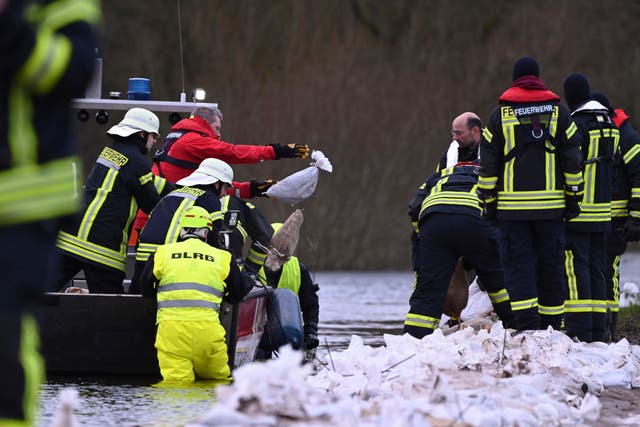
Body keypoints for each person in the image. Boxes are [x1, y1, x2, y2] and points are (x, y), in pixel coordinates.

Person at [0, 0, 100, 424]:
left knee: (5, 342)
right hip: (78, 244)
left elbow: (70, 70)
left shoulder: (61, 10)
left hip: (21, 213)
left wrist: (9, 25)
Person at [477, 57, 584, 332]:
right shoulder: (559, 114)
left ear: (515, 80)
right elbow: (573, 161)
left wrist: (488, 204)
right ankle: (551, 328)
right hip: (551, 210)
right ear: (538, 78)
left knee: (518, 267)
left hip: (512, 212)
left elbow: (488, 168)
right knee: (551, 267)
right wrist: (573, 198)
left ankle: (527, 328)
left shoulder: (498, 116)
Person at [130, 106, 312, 238]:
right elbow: (232, 152)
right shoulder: (193, 141)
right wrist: (276, 151)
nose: (218, 135)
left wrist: (252, 189)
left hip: (153, 219)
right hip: (155, 222)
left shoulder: (178, 140)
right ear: (204, 123)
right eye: (217, 129)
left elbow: (203, 188)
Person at [53, 108, 174, 294]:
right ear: (141, 134)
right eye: (153, 136)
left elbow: (136, 180)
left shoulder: (111, 150)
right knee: (111, 309)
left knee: (43, 290)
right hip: (102, 247)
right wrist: (175, 208)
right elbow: (150, 203)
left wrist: (177, 187)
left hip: (71, 238)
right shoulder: (138, 160)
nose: (155, 141)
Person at [138, 206, 252, 382]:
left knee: (176, 388)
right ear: (206, 232)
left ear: (181, 229)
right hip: (208, 332)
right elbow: (236, 294)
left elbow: (145, 288)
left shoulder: (162, 253)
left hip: (172, 333)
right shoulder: (223, 257)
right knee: (218, 385)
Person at [404, 161, 514, 338]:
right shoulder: (495, 172)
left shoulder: (440, 175)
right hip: (475, 220)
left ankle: (413, 340)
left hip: (434, 221)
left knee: (428, 289)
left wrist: (424, 238)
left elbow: (415, 208)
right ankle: (515, 329)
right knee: (498, 283)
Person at [561, 74, 620, 342]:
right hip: (603, 212)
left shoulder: (576, 125)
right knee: (598, 268)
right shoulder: (610, 124)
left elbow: (571, 165)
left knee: (577, 269)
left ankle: (580, 331)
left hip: (579, 211)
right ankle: (599, 330)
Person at [130, 158, 234, 293]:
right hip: (168, 261)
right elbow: (216, 239)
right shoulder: (208, 198)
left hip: (143, 259)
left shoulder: (174, 193)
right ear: (216, 183)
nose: (225, 193)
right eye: (226, 187)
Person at [256, 223, 320, 359]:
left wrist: (311, 332)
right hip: (257, 337)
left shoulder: (298, 269)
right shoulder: (252, 266)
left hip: (288, 332)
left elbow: (310, 305)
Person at [218, 194, 274, 274]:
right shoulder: (233, 202)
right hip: (233, 263)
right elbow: (265, 233)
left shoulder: (195, 200)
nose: (224, 192)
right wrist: (251, 271)